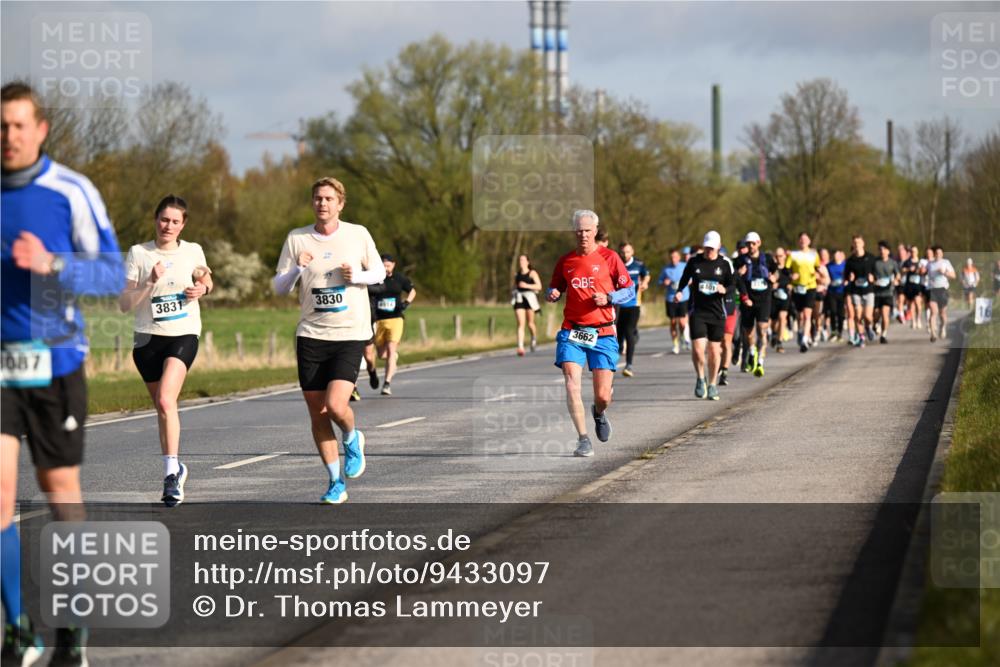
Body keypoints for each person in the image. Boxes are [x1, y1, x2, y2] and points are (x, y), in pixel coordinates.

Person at [1, 81, 124, 666]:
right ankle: (20, 630)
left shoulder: (71, 190)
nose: (9, 137)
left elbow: (112, 275)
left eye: (19, 126)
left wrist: (51, 262)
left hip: (56, 361)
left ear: (40, 129)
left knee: (59, 495)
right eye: (1, 127)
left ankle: (73, 625)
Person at [272, 176, 385, 503]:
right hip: (311, 335)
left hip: (350, 333)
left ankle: (352, 437)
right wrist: (296, 268)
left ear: (340, 204)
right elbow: (280, 287)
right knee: (317, 414)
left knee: (336, 405)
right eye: (318, 198)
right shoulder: (297, 238)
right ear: (313, 203)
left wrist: (357, 276)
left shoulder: (357, 234)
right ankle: (335, 482)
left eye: (329, 199)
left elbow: (378, 273)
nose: (322, 204)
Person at [119, 195, 213, 506]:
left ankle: (171, 474)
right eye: (164, 219)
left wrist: (202, 288)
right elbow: (124, 304)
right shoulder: (138, 253)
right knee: (163, 409)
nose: (168, 226)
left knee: (165, 399)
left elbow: (206, 278)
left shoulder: (193, 251)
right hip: (147, 340)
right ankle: (176, 466)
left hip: (182, 333)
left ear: (183, 224)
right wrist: (149, 281)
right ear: (155, 219)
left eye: (175, 221)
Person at [547, 210, 634, 457]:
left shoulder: (610, 258)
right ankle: (583, 439)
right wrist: (552, 293)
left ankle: (599, 412)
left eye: (587, 230)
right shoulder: (566, 261)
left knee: (603, 395)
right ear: (574, 232)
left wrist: (609, 297)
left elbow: (629, 291)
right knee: (571, 384)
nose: (583, 235)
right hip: (572, 330)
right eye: (579, 230)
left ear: (595, 231)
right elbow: (555, 285)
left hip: (603, 333)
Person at [674, 231, 743, 401]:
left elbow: (733, 283)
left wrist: (725, 290)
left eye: (712, 248)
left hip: (717, 313)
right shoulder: (694, 261)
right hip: (698, 312)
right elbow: (685, 277)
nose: (709, 251)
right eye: (707, 247)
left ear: (719, 247)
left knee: (713, 351)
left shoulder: (725, 263)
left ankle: (712, 384)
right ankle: (700, 378)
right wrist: (679, 291)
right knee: (698, 350)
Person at [371, 254, 415, 396]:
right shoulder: (375, 279)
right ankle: (393, 358)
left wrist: (406, 302)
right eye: (383, 265)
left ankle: (387, 383)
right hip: (379, 320)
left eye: (388, 265)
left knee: (390, 349)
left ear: (393, 265)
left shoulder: (399, 278)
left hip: (396, 318)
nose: (386, 268)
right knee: (381, 354)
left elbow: (412, 291)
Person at [736, 232, 771, 377]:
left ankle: (760, 362)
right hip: (748, 300)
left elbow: (776, 272)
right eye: (748, 244)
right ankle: (752, 352)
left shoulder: (767, 259)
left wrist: (775, 276)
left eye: (753, 243)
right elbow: (733, 279)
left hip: (764, 299)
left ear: (759, 243)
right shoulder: (740, 260)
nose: (751, 246)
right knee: (749, 332)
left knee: (762, 329)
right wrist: (738, 273)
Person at [615, 242, 650, 377]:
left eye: (627, 252)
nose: (625, 255)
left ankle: (629, 365)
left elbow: (646, 274)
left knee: (629, 332)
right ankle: (630, 337)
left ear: (632, 252)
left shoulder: (638, 264)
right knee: (619, 335)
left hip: (633, 304)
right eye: (623, 252)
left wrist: (645, 283)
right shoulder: (615, 263)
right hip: (618, 305)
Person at [785, 232, 822, 353]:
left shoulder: (814, 254)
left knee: (807, 314)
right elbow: (786, 270)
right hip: (797, 288)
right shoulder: (793, 255)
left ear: (809, 241)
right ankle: (801, 332)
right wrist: (791, 276)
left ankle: (805, 339)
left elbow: (818, 268)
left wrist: (818, 274)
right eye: (801, 239)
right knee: (800, 316)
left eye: (805, 239)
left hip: (810, 286)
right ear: (798, 242)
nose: (803, 241)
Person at [845, 235, 876, 348]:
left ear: (863, 243)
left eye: (859, 242)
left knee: (867, 316)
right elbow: (846, 276)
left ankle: (868, 327)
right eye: (855, 242)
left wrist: (874, 278)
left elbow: (876, 272)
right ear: (853, 245)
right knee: (858, 315)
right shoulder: (850, 261)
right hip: (856, 291)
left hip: (869, 290)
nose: (857, 244)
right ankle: (861, 337)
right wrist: (850, 278)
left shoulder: (871, 258)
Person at [659, 249, 689, 355]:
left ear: (679, 257)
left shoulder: (684, 266)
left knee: (682, 322)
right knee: (672, 322)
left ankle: (682, 335)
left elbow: (691, 278)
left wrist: (689, 281)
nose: (673, 259)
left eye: (675, 257)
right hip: (670, 298)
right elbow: (660, 282)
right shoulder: (666, 269)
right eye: (671, 257)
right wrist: (664, 283)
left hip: (683, 297)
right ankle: (675, 344)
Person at [511, 253, 542, 356]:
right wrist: (513, 292)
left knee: (530, 323)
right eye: (520, 260)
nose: (521, 262)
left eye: (523, 260)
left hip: (529, 299)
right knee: (520, 323)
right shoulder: (517, 274)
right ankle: (520, 347)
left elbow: (539, 286)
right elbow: (515, 287)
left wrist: (526, 285)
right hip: (519, 299)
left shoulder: (532, 273)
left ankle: (533, 338)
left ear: (528, 262)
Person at [926, 246, 956, 342]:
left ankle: (942, 327)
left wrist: (944, 272)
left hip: (943, 290)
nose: (938, 254)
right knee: (933, 312)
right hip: (932, 290)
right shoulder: (930, 264)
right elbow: (923, 273)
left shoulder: (946, 262)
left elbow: (953, 276)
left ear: (942, 254)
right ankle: (933, 334)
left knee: (942, 314)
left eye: (940, 253)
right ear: (934, 254)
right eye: (936, 253)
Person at [873, 241, 901, 344]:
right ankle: (875, 325)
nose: (882, 251)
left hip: (888, 292)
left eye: (884, 249)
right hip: (876, 292)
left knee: (885, 314)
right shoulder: (875, 262)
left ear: (888, 251)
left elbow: (898, 274)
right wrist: (873, 279)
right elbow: (870, 275)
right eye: (880, 249)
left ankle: (884, 335)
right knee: (876, 315)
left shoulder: (893, 263)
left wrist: (896, 280)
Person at [769, 246, 792, 353]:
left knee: (782, 317)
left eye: (781, 256)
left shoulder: (788, 268)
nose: (779, 258)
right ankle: (774, 333)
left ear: (785, 256)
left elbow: (790, 279)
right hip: (773, 297)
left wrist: (783, 284)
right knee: (773, 321)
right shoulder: (772, 268)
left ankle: (779, 342)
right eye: (777, 256)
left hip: (784, 297)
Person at [824, 249, 847, 341]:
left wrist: (846, 281)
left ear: (841, 256)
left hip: (842, 292)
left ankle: (840, 332)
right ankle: (833, 330)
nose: (836, 257)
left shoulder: (845, 265)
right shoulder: (829, 266)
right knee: (833, 311)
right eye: (834, 255)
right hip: (832, 291)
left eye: (838, 255)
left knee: (841, 313)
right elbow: (825, 277)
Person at [901, 245, 925, 329]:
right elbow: (902, 270)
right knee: (911, 304)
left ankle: (918, 319)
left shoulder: (921, 262)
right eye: (912, 251)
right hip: (909, 285)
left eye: (915, 251)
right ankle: (913, 321)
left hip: (918, 284)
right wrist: (908, 269)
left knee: (918, 303)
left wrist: (920, 271)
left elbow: (924, 271)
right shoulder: (907, 262)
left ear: (917, 252)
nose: (913, 253)